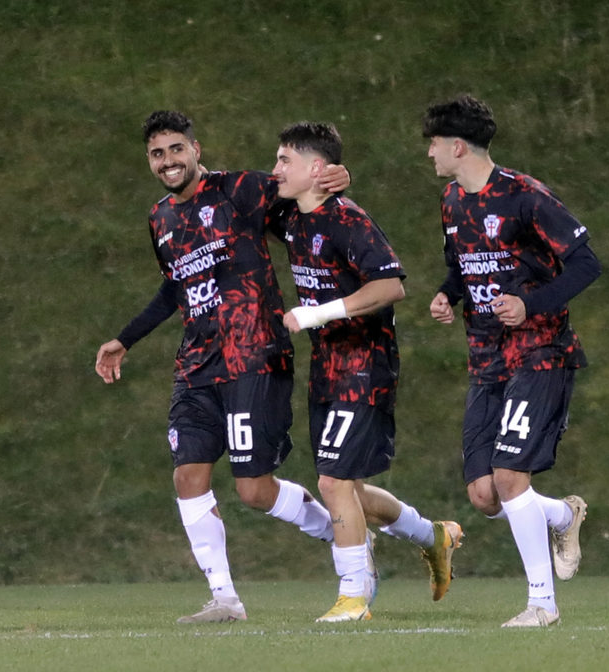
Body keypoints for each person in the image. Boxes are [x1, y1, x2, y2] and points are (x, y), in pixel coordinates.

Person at [94, 110, 352, 624]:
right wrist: (125, 339)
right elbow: (176, 285)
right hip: (197, 365)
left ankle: (342, 534)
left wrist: (336, 179)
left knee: (254, 490)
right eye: (157, 154)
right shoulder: (160, 217)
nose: (168, 161)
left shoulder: (239, 190)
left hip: (254, 356)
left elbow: (305, 192)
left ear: (196, 149)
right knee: (187, 476)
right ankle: (225, 600)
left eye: (176, 149)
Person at [270, 122, 464, 622]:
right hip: (326, 367)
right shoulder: (288, 216)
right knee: (349, 490)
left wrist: (315, 313)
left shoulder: (348, 220)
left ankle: (354, 595)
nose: (276, 170)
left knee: (333, 482)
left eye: (285, 160)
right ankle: (433, 536)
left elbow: (391, 286)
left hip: (364, 365)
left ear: (317, 168)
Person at [423, 95, 599, 627]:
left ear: (458, 146)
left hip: (540, 353)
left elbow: (586, 264)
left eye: (434, 143)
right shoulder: (452, 200)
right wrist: (447, 294)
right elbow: (463, 265)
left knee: (509, 476)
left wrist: (530, 305)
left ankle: (542, 605)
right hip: (486, 358)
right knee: (485, 495)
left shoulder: (525, 198)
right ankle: (563, 515)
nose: (429, 153)